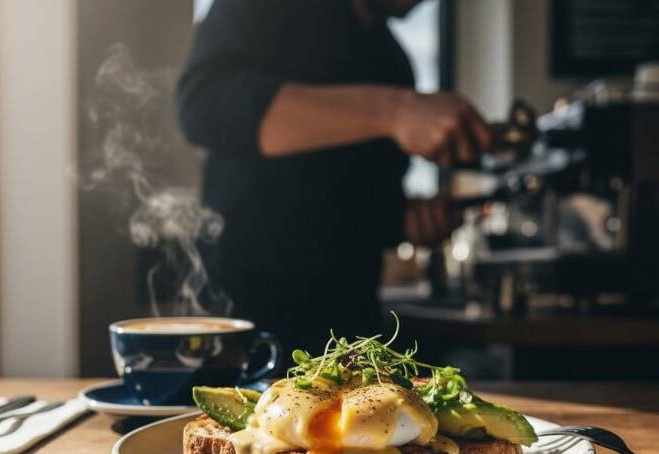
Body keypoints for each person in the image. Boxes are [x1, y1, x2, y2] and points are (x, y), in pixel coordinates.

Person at [177, 0, 490, 355]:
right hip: (247, 315)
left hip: (350, 327)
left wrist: (407, 221)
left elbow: (363, 203)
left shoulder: (391, 60)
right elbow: (201, 104)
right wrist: (396, 110)